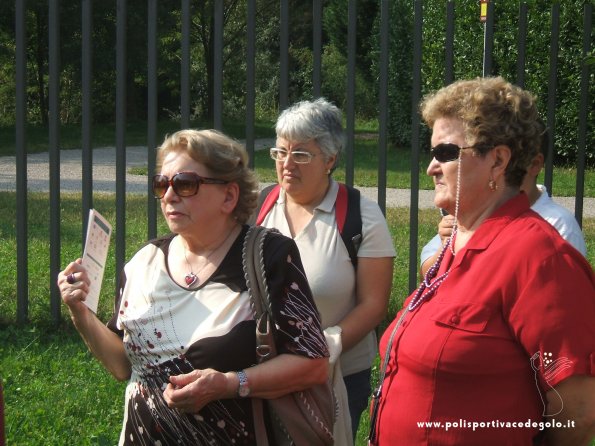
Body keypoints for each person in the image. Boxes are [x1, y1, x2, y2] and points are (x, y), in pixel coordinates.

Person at [57, 129, 330, 446]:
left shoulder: (268, 256)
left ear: (229, 196)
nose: (169, 195)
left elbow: (313, 364)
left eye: (185, 184)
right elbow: (121, 365)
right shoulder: (142, 264)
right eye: (162, 184)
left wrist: (230, 383)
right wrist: (80, 313)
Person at [369, 77, 595, 446]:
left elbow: (578, 412)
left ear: (499, 160)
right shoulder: (458, 241)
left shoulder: (539, 258)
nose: (431, 168)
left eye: (446, 152)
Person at [256, 98, 396, 440]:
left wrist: (324, 346)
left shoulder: (361, 216)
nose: (288, 164)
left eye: (302, 154)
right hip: (264, 371)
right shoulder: (259, 206)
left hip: (336, 375)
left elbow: (374, 304)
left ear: (330, 160)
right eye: (281, 152)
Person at [420, 147, 587, 276]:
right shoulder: (481, 208)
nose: (497, 168)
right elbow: (429, 275)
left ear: (535, 164)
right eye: (494, 159)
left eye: (504, 160)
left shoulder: (558, 224)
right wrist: (446, 245)